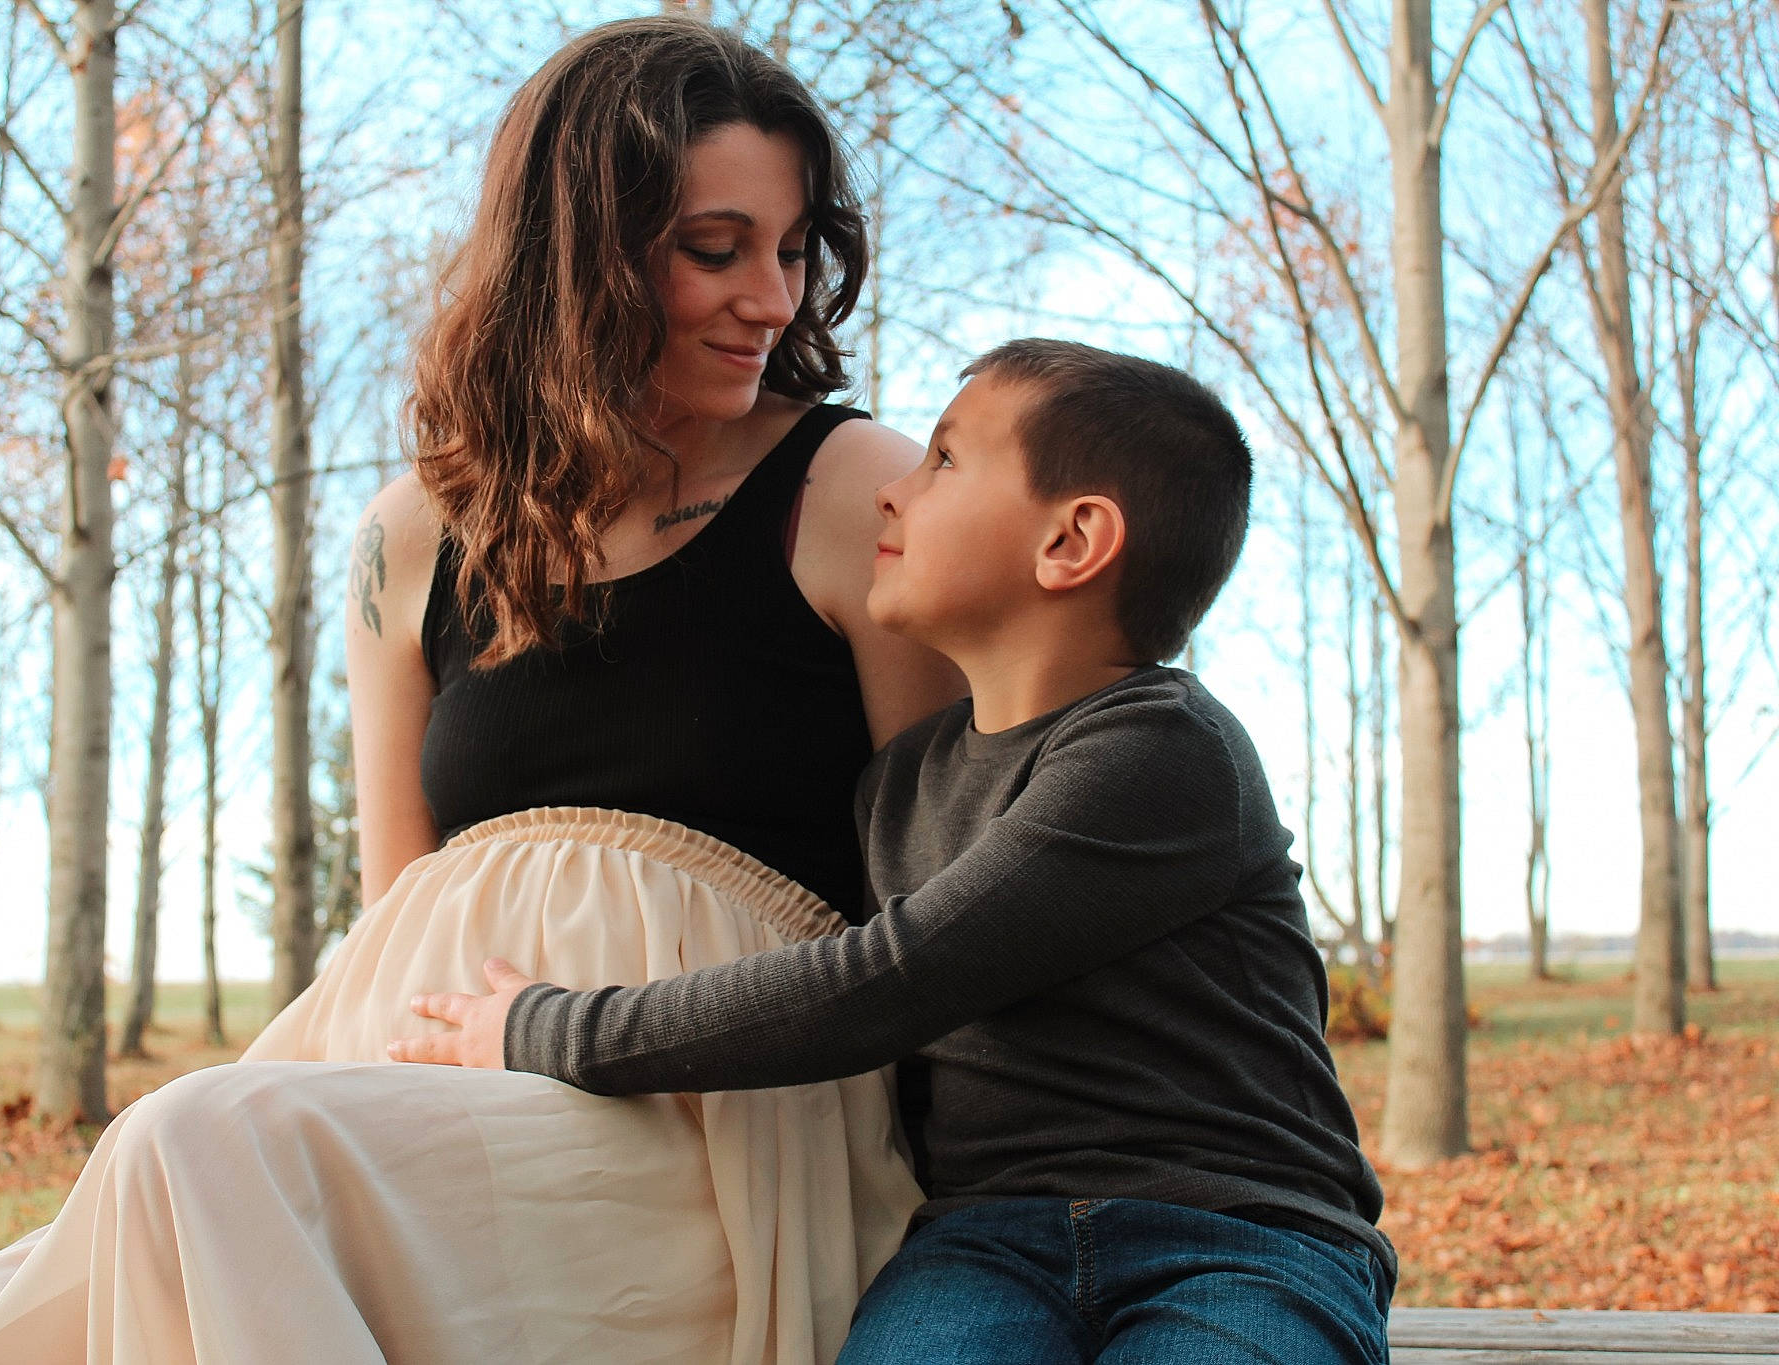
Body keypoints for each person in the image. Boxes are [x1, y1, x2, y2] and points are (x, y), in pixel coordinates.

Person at [0, 17, 963, 1364]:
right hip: (415, 1091)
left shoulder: (852, 486)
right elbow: (400, 900)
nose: (774, 296)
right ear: (577, 255)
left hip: (712, 1123)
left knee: (194, 1141)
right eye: (716, 248)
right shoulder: (414, 532)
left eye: (796, 246)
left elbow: (943, 900)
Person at [397, 339, 1397, 1364]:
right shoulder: (900, 783)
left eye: (943, 462)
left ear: (1071, 541)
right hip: (982, 1244)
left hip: (1240, 1238)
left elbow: (887, 982)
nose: (889, 494)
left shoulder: (1162, 753)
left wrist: (554, 1032)